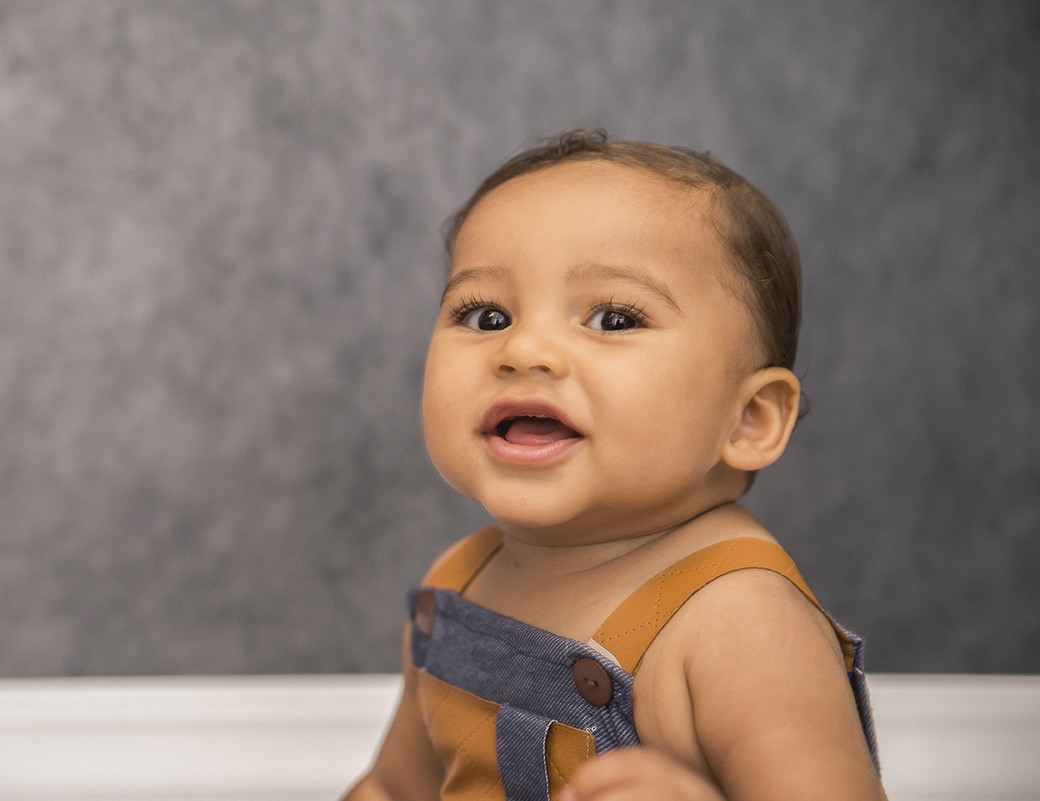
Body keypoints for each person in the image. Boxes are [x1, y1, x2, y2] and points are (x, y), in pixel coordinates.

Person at [343, 129, 885, 801]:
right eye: (486, 315)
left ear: (749, 419)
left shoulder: (741, 624)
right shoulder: (457, 585)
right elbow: (394, 789)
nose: (525, 349)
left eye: (615, 318)